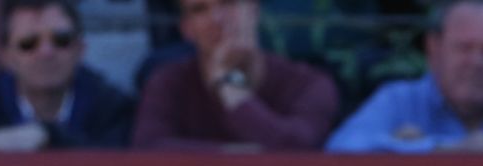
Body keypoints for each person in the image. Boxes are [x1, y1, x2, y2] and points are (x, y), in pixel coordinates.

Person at [327, 0, 483, 152]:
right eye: (464, 48)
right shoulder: (398, 99)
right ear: (434, 49)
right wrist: (437, 148)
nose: (476, 62)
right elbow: (341, 149)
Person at [131, 0, 337, 148]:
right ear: (186, 29)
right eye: (200, 9)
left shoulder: (308, 84)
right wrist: (236, 154)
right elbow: (149, 148)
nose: (217, 19)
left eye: (228, 3)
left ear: (254, 9)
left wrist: (229, 84)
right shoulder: (167, 83)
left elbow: (295, 149)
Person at [0, 0, 133, 149]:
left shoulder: (111, 106)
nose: (46, 53)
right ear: (6, 56)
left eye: (61, 40)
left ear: (81, 49)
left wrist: (49, 137)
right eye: (28, 43)